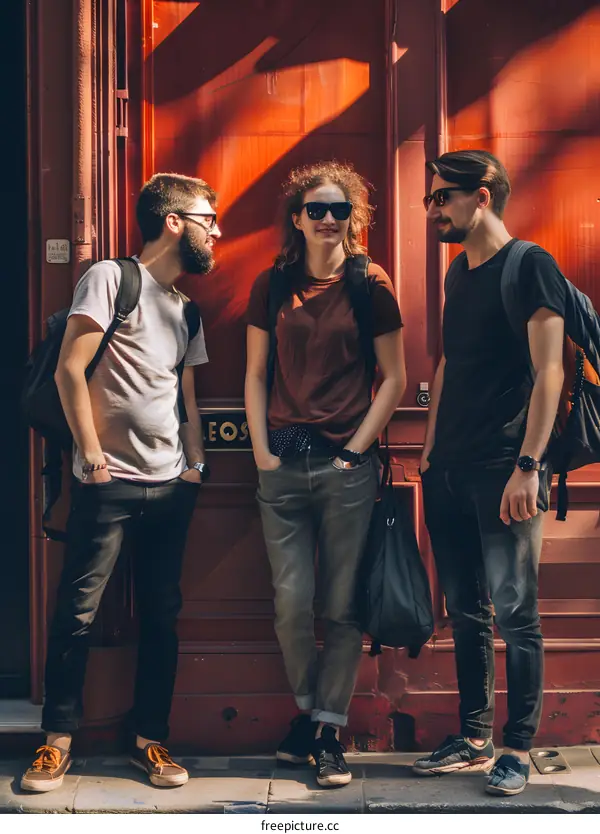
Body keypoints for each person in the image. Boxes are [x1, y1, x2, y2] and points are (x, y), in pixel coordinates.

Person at [21, 173, 221, 792]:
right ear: (173, 222)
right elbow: (69, 370)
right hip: (107, 483)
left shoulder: (187, 308)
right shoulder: (112, 279)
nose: (217, 231)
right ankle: (56, 743)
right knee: (78, 613)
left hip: (170, 487)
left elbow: (186, 395)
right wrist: (90, 457)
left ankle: (150, 742)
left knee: (161, 616)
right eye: (207, 219)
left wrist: (194, 466)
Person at [245, 161, 406, 788]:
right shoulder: (273, 283)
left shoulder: (371, 283)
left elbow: (393, 377)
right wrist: (261, 450)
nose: (330, 219)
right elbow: (256, 374)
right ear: (298, 218)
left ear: (354, 218)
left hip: (346, 467)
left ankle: (325, 732)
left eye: (341, 209)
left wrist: (354, 452)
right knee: (292, 605)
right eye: (317, 209)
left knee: (339, 608)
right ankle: (314, 717)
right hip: (281, 463)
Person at [413, 150, 566, 796]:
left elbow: (550, 370)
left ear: (482, 196)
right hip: (448, 468)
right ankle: (475, 736)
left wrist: (528, 466)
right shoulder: (456, 273)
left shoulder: (529, 267)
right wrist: (427, 451)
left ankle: (517, 746)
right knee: (468, 614)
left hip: (505, 470)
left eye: (441, 197)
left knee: (515, 612)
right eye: (429, 199)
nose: (432, 210)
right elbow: (448, 364)